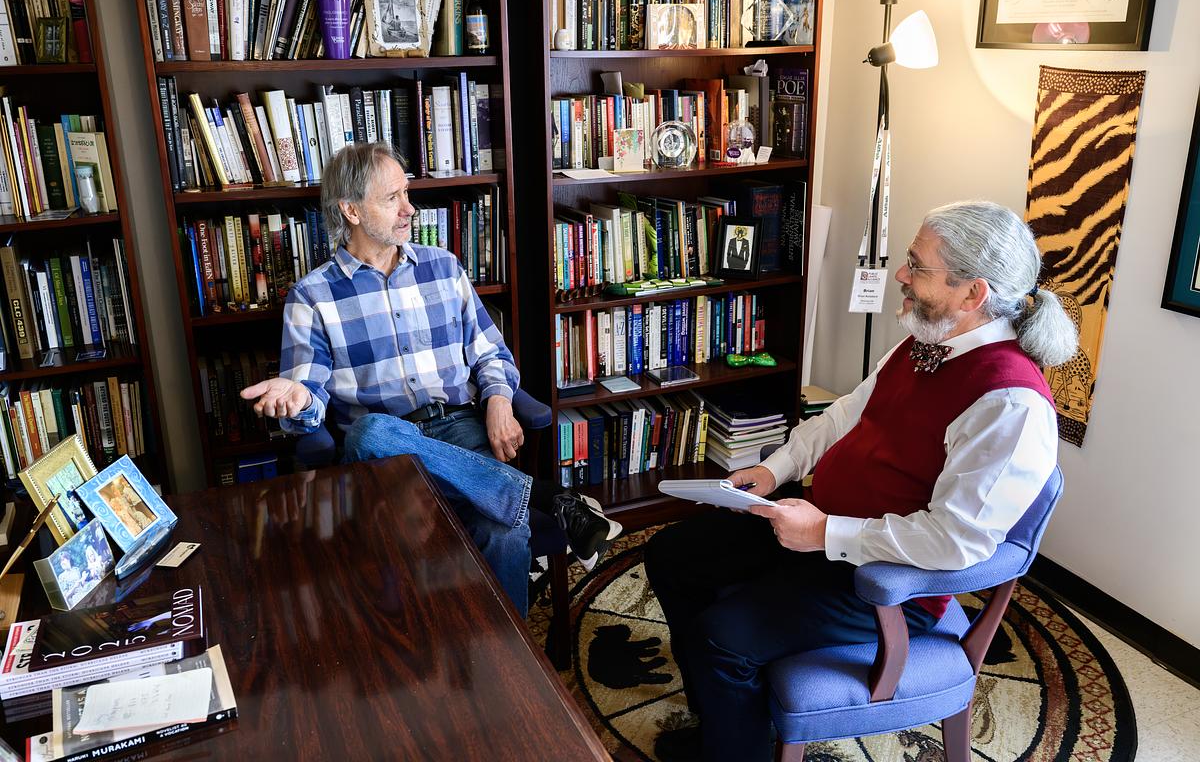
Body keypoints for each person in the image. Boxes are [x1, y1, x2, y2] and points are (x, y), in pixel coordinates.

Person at [644, 201, 1079, 761]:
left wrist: (825, 531)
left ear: (974, 293)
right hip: (818, 529)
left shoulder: (1009, 403)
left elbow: (954, 541)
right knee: (672, 555)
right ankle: (730, 722)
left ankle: (733, 747)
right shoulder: (925, 342)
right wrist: (773, 470)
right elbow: (847, 413)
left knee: (719, 638)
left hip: (880, 576)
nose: (900, 274)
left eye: (917, 266)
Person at [240, 143, 621, 618]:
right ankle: (544, 495)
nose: (409, 208)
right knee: (371, 430)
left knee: (505, 530)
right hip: (381, 456)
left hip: (460, 428)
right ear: (351, 210)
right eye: (392, 198)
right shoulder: (312, 296)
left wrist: (499, 400)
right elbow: (309, 398)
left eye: (408, 192)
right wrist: (296, 400)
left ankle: (509, 667)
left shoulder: (442, 267)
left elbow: (490, 352)